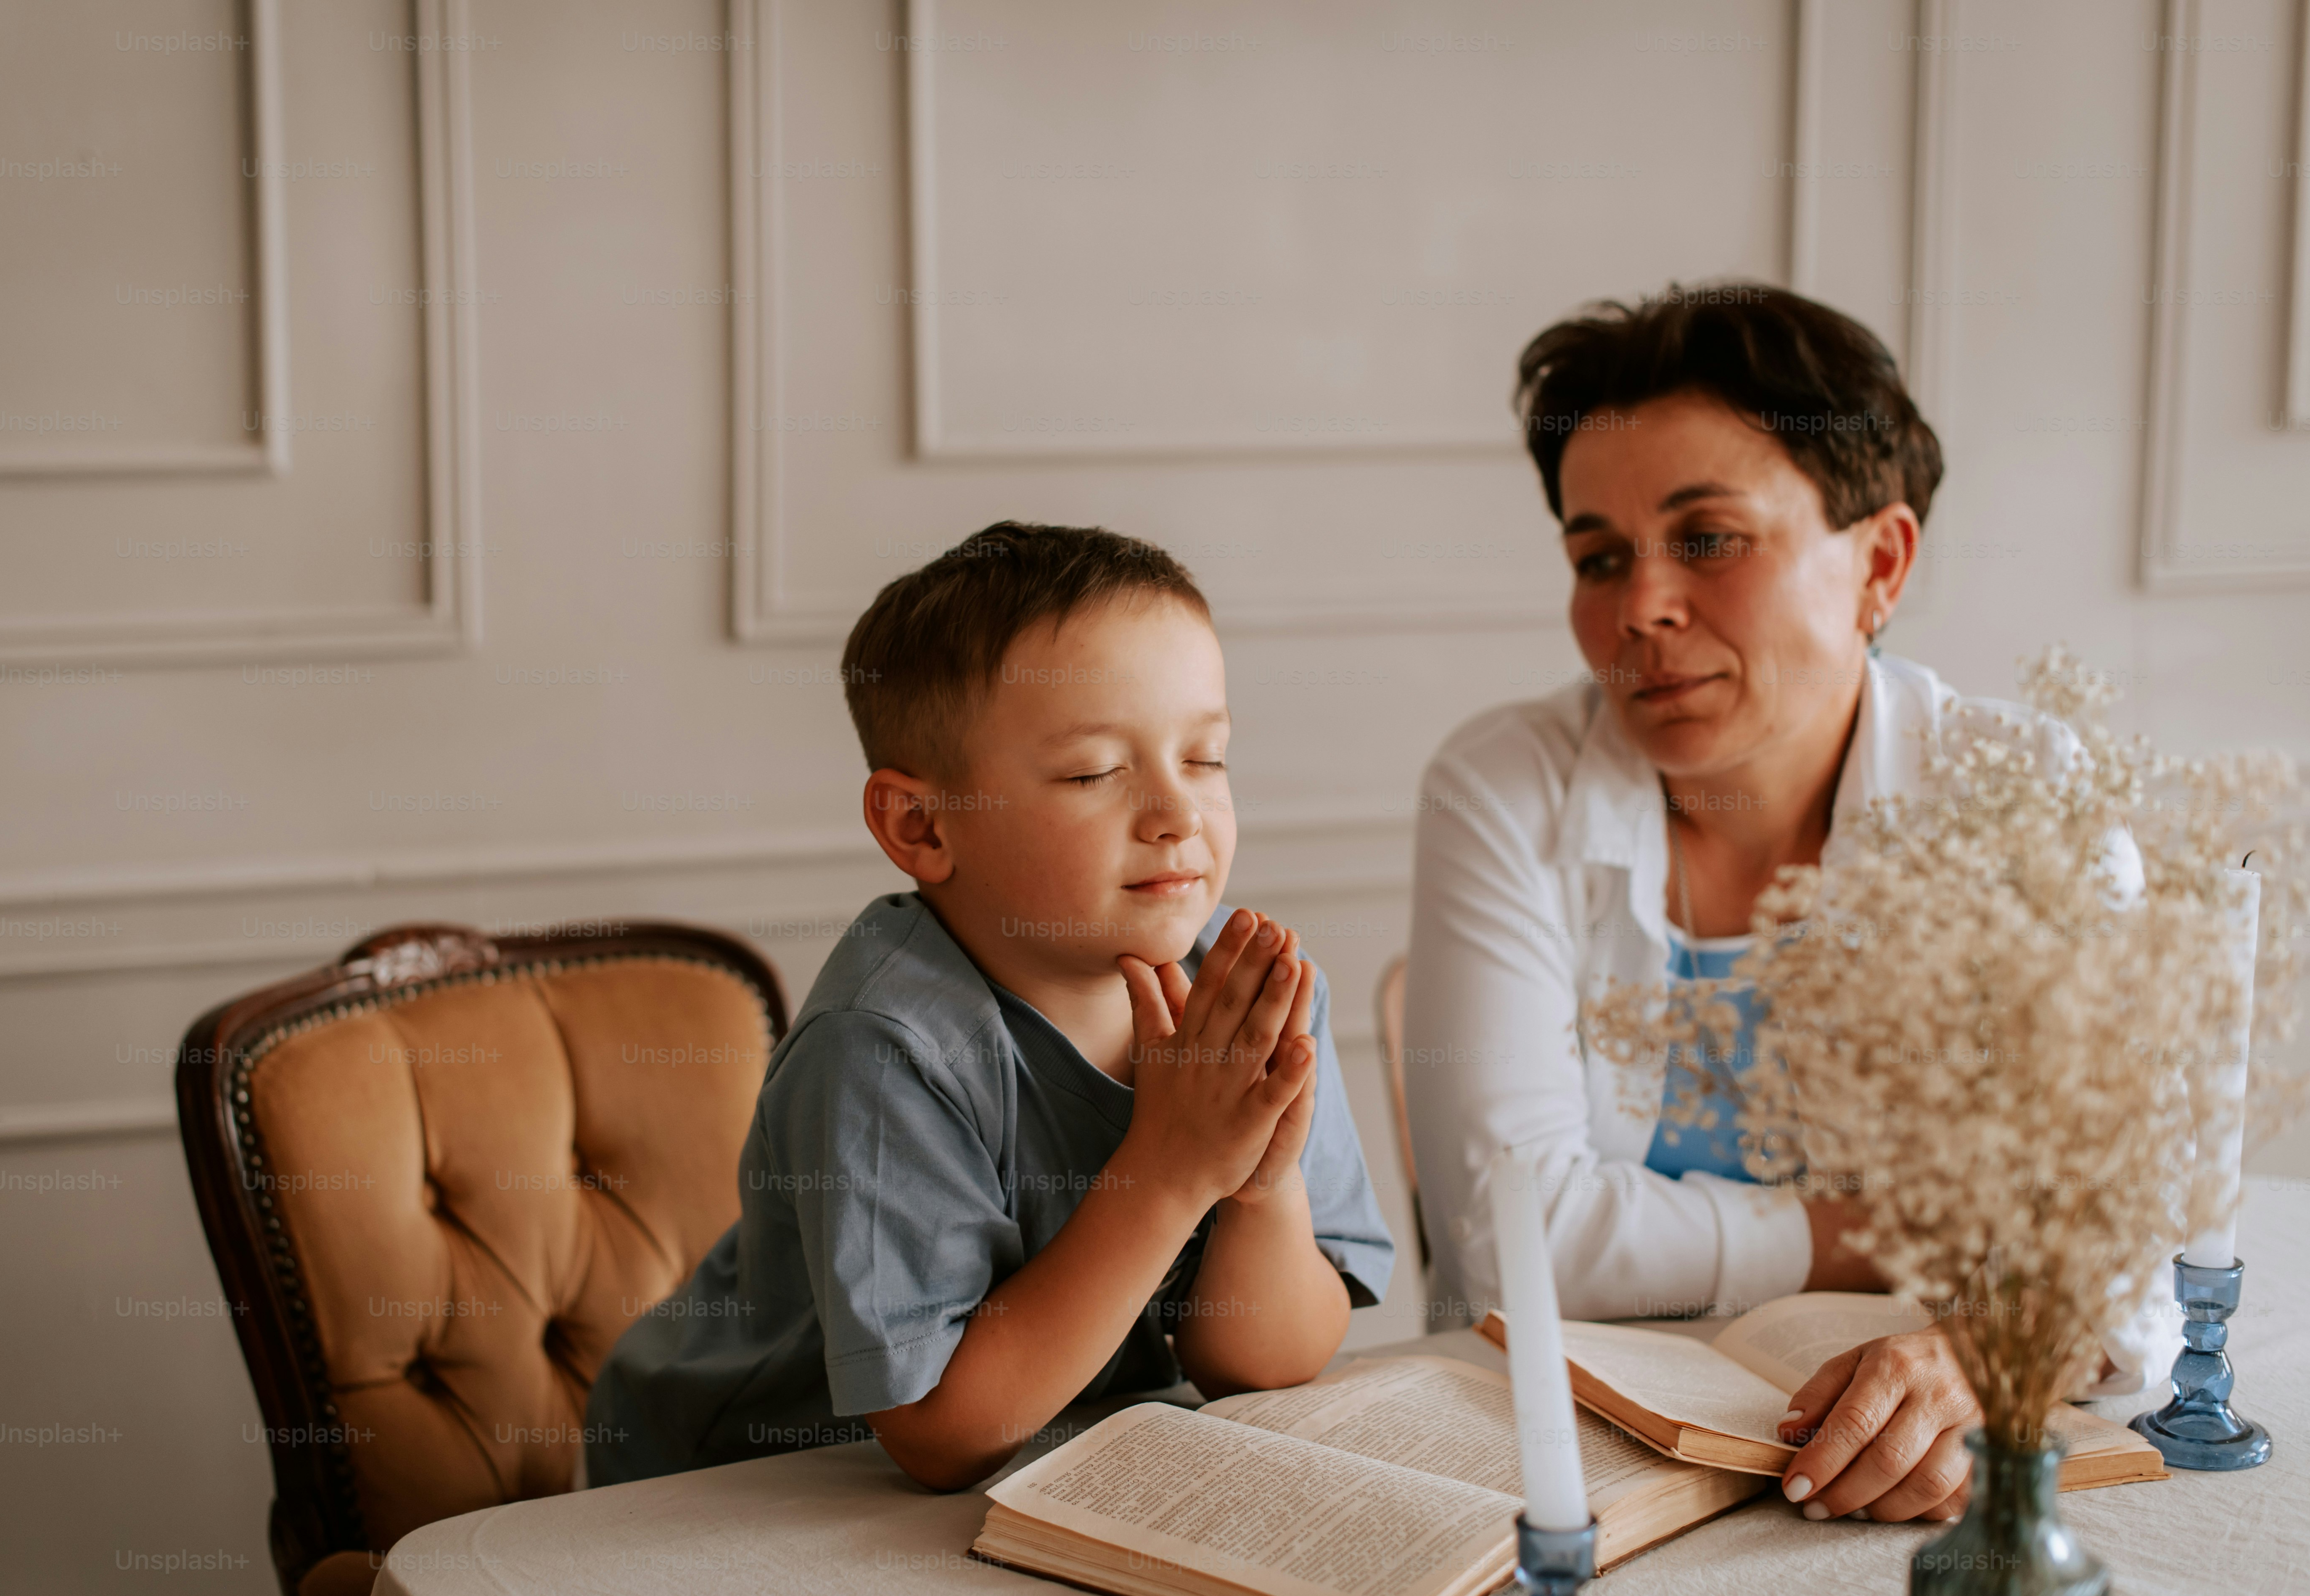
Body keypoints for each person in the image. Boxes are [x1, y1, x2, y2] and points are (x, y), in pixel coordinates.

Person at [1403, 283, 2165, 1526]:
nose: (1640, 607)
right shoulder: (1500, 788)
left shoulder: (2026, 798)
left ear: (1882, 562)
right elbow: (1509, 1243)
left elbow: (2130, 1241)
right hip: (1553, 1475)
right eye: (1600, 557)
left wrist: (1976, 1353)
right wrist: (1872, 1234)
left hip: (1906, 1481)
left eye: (1706, 538)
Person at [587, 521, 1393, 1491]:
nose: (1178, 813)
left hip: (1054, 1461)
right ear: (922, 825)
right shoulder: (886, 1046)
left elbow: (1260, 1365)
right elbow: (941, 1435)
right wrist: (1171, 1172)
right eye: (1096, 771)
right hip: (737, 1490)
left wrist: (1258, 1185)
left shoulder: (1244, 995)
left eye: (1206, 758)